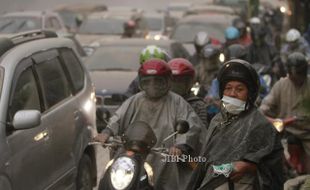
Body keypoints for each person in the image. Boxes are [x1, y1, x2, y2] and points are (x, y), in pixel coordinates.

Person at [95, 59, 203, 190]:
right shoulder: (135, 100)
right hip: (134, 152)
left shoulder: (177, 102)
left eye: (158, 81)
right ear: (141, 82)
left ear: (168, 81)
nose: (153, 85)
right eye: (148, 81)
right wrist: (107, 132)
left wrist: (180, 146)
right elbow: (118, 118)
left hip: (163, 156)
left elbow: (190, 126)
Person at [187, 59, 284, 190]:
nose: (232, 93)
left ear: (249, 93)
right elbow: (207, 158)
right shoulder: (217, 120)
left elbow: (272, 165)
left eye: (239, 89)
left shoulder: (260, 124)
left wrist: (249, 166)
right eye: (228, 88)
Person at [260, 52, 310, 175]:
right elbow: (265, 106)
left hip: (307, 134)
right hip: (284, 131)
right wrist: (263, 112)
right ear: (289, 72)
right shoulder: (281, 85)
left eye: (302, 72)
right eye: (297, 72)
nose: (300, 76)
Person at [168, 58, 208, 128]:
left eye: (180, 81)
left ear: (189, 82)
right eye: (173, 80)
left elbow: (201, 132)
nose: (176, 84)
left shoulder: (197, 105)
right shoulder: (162, 102)